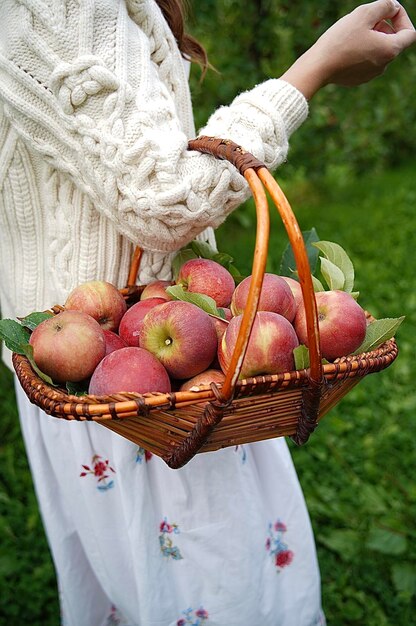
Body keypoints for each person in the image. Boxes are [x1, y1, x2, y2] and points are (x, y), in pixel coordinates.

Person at [0, 1, 414, 624]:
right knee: (218, 585)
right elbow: (166, 197)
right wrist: (315, 68)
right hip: (128, 395)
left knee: (148, 584)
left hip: (164, 359)